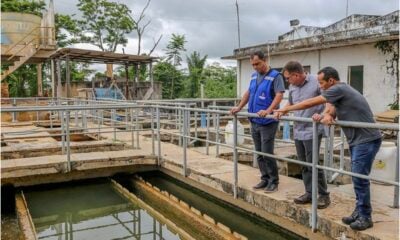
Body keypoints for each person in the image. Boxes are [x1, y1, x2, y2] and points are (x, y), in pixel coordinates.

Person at [275, 66, 382, 231]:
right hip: (358, 140)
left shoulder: (338, 88)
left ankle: (365, 217)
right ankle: (359, 211)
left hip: (366, 140)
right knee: (357, 178)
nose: (320, 86)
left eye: (322, 82)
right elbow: (331, 109)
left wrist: (286, 108)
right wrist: (327, 115)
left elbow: (311, 102)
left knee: (360, 179)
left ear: (331, 80)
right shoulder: (340, 91)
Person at [275, 61, 330, 209]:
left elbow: (329, 101)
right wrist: (281, 111)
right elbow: (291, 103)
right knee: (303, 164)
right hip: (298, 129)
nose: (287, 81)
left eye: (288, 78)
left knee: (313, 163)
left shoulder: (316, 82)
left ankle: (323, 195)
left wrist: (323, 114)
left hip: (312, 129)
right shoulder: (293, 86)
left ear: (296, 75)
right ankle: (309, 192)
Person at [230, 51, 285, 193]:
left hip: (267, 122)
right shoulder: (254, 75)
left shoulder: (275, 76)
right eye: (253, 65)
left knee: (267, 152)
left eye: (257, 64)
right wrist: (239, 107)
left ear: (264, 60)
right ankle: (265, 178)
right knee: (259, 152)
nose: (255, 67)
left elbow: (279, 95)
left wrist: (268, 110)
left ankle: (274, 181)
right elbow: (249, 93)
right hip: (254, 120)